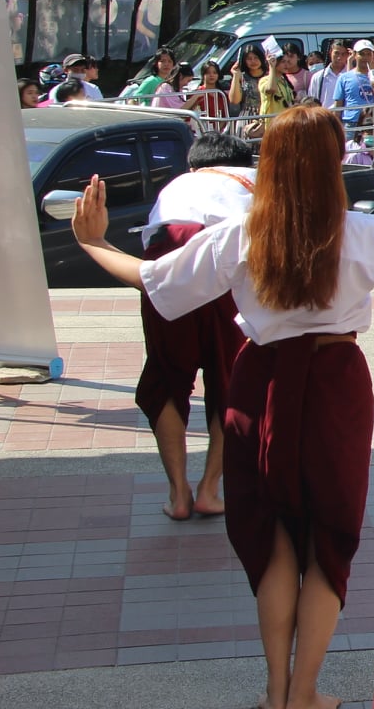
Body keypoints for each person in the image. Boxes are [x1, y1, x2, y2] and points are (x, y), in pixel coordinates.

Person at [72, 105, 374, 709]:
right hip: (337, 383)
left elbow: (155, 279)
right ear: (334, 160)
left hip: (258, 382)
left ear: (270, 162)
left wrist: (93, 242)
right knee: (328, 539)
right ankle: (305, 691)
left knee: (273, 535)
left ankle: (276, 690)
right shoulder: (361, 231)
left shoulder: (242, 232)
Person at [136, 131, 256, 523]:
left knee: (165, 376)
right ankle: (209, 489)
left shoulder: (176, 185)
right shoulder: (255, 182)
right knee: (230, 379)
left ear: (193, 165)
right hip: (227, 263)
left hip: (167, 261)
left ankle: (178, 493)